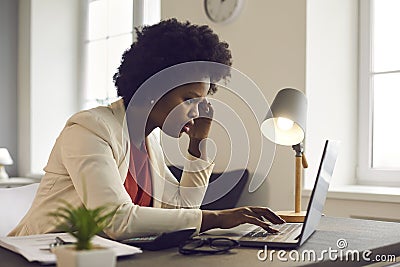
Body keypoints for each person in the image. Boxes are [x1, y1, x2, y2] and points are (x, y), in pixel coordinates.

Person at [9, 19, 284, 240]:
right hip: (39, 256)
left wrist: (197, 145)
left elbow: (183, 210)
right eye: (189, 99)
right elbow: (116, 219)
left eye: (201, 101)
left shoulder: (149, 144)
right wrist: (218, 218)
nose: (196, 110)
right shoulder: (90, 129)